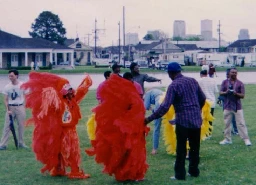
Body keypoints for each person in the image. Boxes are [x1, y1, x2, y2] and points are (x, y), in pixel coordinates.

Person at [21, 72, 92, 179]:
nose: (69, 92)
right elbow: (48, 103)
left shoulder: (71, 100)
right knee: (69, 150)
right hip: (63, 130)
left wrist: (85, 84)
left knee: (65, 150)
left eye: (69, 90)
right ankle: (72, 171)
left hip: (68, 129)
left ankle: (61, 169)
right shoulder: (58, 101)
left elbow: (79, 94)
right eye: (67, 90)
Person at [145, 62, 206, 180]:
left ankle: (180, 175)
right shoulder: (192, 80)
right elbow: (202, 98)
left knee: (181, 149)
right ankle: (194, 171)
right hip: (196, 120)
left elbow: (164, 107)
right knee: (194, 147)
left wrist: (149, 119)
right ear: (180, 70)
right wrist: (197, 110)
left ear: (170, 73)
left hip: (182, 121)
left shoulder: (173, 85)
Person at [86, 74, 148, 181]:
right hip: (125, 129)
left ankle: (129, 173)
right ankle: (126, 173)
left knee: (127, 151)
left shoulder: (124, 94)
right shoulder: (126, 94)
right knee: (126, 151)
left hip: (128, 128)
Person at [219, 68, 252, 146]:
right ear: (229, 73)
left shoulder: (240, 83)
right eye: (232, 72)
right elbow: (220, 92)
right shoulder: (224, 82)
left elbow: (243, 95)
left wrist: (236, 93)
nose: (234, 74)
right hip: (227, 105)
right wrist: (226, 92)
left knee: (241, 123)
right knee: (227, 123)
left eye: (235, 72)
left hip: (237, 106)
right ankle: (227, 139)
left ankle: (246, 139)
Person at [0, 69, 28, 150]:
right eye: (9, 76)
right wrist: (8, 109)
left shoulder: (22, 85)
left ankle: (21, 143)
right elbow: (5, 99)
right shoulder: (7, 87)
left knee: (21, 126)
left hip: (20, 107)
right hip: (10, 107)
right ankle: (3, 145)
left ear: (16, 76)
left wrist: (24, 106)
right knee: (7, 126)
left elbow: (27, 94)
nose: (10, 77)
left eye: (12, 76)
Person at [217, 68, 238, 135]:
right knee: (226, 117)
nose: (226, 75)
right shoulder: (224, 82)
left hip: (233, 102)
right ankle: (228, 130)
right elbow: (221, 91)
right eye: (226, 74)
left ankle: (236, 130)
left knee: (233, 117)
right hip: (225, 102)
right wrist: (219, 99)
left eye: (228, 74)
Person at [198, 70, 218, 136]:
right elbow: (216, 91)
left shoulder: (199, 81)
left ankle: (202, 132)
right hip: (211, 101)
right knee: (209, 118)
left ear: (201, 74)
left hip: (203, 102)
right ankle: (209, 133)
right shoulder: (213, 80)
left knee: (201, 118)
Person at [144, 88, 163, 155]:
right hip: (165, 101)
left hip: (159, 103)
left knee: (156, 128)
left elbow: (146, 106)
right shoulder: (158, 91)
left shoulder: (148, 93)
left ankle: (154, 149)